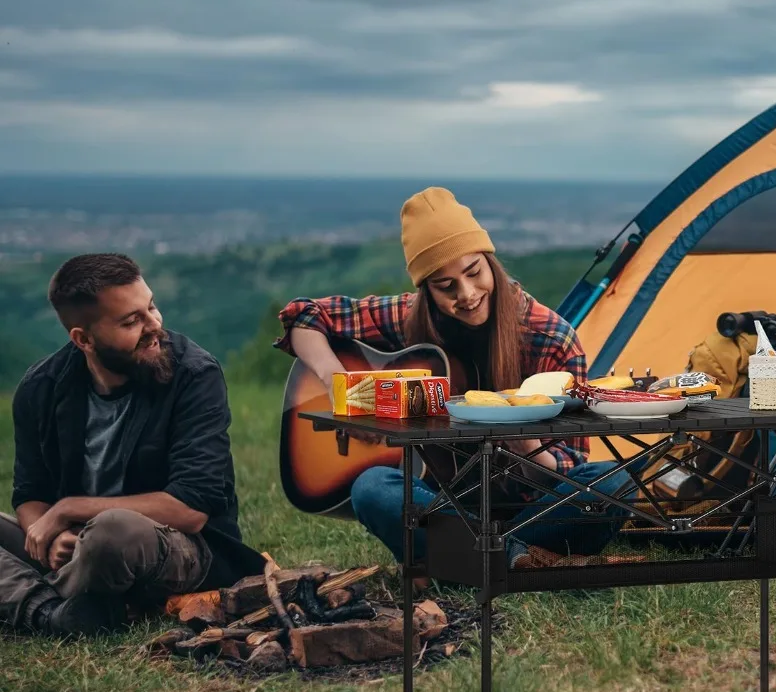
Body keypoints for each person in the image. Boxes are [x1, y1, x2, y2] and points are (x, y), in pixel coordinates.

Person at [275, 186, 637, 567]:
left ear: (490, 261)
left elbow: (571, 462)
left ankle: (462, 557)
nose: (466, 294)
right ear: (426, 291)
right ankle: (509, 558)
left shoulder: (550, 339)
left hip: (524, 508)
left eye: (474, 272)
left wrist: (529, 451)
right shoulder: (412, 314)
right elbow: (304, 316)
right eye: (445, 286)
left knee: (613, 481)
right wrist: (341, 388)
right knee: (371, 488)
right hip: (436, 503)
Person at [0, 253, 264, 638]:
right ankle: (57, 613)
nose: (154, 325)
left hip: (177, 546)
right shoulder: (40, 387)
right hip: (75, 548)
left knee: (112, 530)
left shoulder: (194, 375)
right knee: (98, 534)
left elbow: (191, 509)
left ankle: (35, 603)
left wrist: (70, 510)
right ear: (83, 339)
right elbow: (30, 494)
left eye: (151, 307)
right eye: (131, 321)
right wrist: (53, 534)